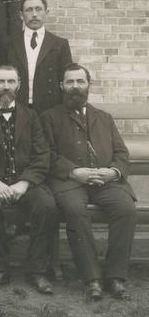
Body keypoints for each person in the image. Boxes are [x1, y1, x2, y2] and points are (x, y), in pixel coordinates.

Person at [40, 63, 135, 301]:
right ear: (61, 86)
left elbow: (122, 154)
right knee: (74, 210)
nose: (75, 87)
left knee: (125, 208)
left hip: (106, 182)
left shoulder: (104, 118)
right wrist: (74, 172)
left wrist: (113, 172)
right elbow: (46, 155)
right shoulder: (49, 118)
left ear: (88, 85)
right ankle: (91, 278)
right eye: (70, 82)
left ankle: (115, 277)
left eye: (80, 82)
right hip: (69, 183)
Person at [0, 65, 57, 294]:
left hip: (23, 182)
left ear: (19, 85)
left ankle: (36, 269)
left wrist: (24, 182)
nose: (5, 87)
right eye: (0, 81)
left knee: (46, 204)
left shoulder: (31, 116)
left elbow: (42, 155)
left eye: (10, 81)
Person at [6, 0, 72, 113]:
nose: (34, 14)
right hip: (17, 108)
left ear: (46, 13)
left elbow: (67, 80)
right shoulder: (9, 43)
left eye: (38, 9)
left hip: (50, 109)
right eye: (29, 10)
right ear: (21, 15)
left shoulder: (60, 44)